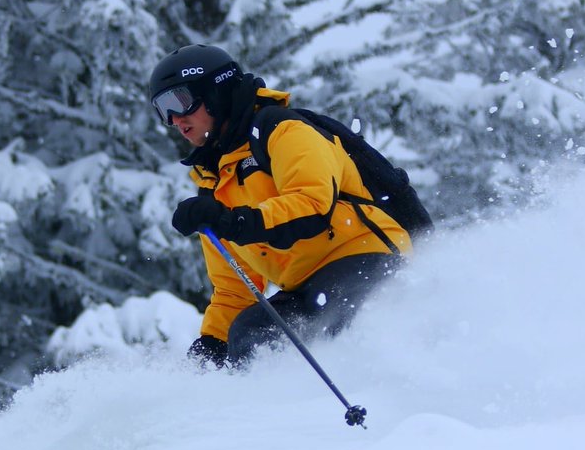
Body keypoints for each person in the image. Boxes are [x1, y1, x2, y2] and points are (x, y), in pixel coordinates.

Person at [149, 44, 411, 367]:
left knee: (331, 319)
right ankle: (283, 399)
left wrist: (234, 222)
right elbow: (234, 287)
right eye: (163, 110)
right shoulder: (214, 184)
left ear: (215, 92)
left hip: (367, 256)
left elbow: (313, 205)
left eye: (179, 101)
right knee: (250, 337)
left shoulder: (283, 130)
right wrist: (213, 343)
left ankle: (381, 385)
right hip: (305, 286)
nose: (175, 119)